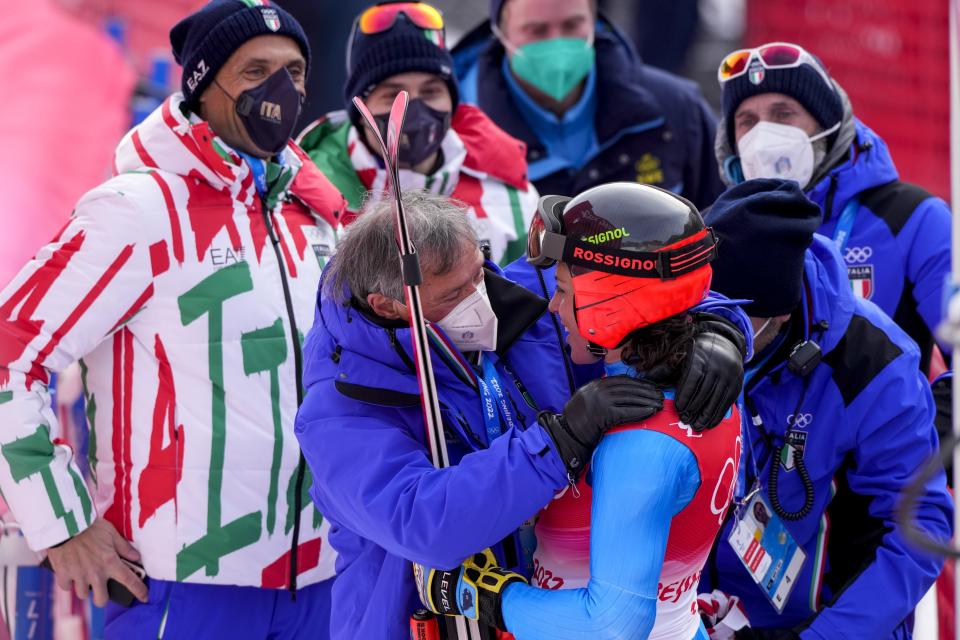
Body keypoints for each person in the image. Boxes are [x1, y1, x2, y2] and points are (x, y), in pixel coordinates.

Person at [0, 1, 346, 637]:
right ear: (202, 86)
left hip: (322, 578)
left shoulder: (316, 218)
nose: (283, 91)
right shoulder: (139, 209)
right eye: (255, 71)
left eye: (295, 72)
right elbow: (9, 358)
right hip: (182, 585)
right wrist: (63, 524)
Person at [294, 189, 747, 639]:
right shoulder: (341, 412)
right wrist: (557, 444)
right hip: (437, 618)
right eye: (456, 292)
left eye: (479, 272)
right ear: (389, 306)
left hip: (548, 612)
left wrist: (716, 331)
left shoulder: (529, 304)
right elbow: (427, 524)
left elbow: (646, 285)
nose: (480, 296)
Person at [699, 179, 953, 639]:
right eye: (700, 309)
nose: (707, 330)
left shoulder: (873, 361)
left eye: (729, 317)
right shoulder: (679, 329)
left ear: (779, 312)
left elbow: (920, 529)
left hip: (826, 623)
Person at [714, 42, 952, 374]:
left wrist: (927, 421)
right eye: (747, 121)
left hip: (881, 420)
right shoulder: (715, 232)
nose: (763, 135)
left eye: (783, 114)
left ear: (827, 125)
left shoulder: (914, 218)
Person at [298, 0, 538, 266]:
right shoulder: (310, 198)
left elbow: (538, 297)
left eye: (431, 91)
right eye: (393, 95)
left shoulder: (507, 193)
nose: (414, 109)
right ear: (360, 109)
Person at [451, 0, 723, 210]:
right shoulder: (457, 131)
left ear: (593, 19)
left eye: (571, 26)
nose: (556, 43)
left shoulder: (675, 109)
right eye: (537, 30)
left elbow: (723, 226)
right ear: (500, 31)